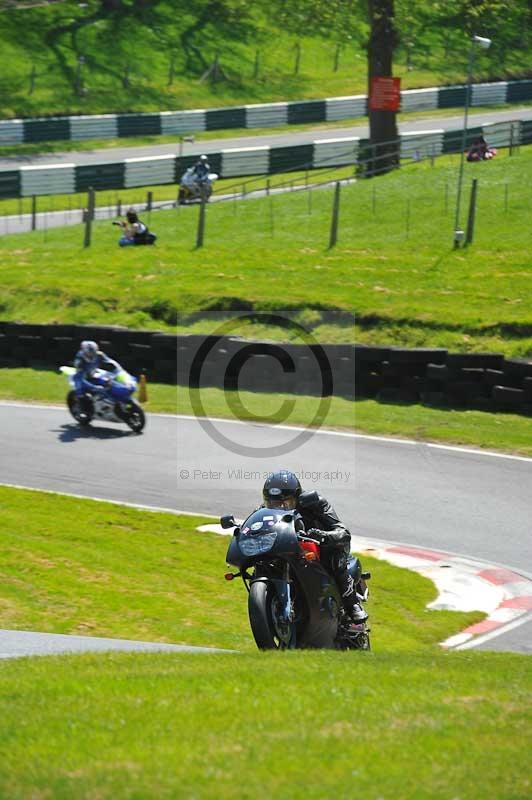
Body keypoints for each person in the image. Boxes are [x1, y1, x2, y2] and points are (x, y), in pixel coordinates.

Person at [262, 470, 368, 624]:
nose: (279, 508)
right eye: (273, 503)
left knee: (334, 557)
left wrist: (323, 536)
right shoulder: (265, 511)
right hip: (290, 548)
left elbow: (343, 532)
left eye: (285, 503)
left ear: (297, 498)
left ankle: (352, 605)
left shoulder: (316, 503)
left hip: (322, 547)